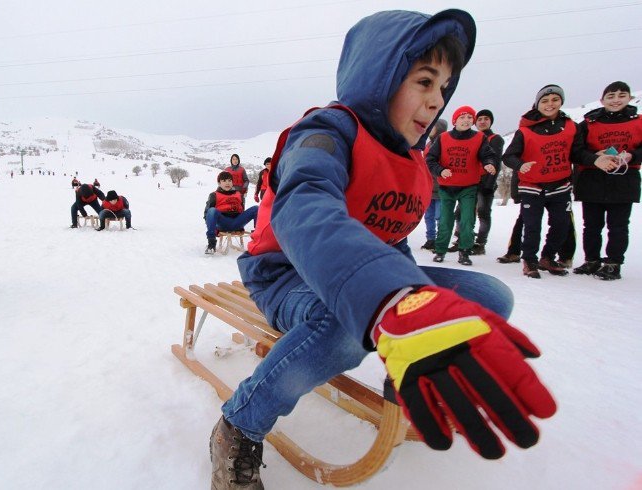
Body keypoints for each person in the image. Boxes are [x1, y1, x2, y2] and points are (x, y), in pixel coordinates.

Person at [210, 10, 556, 489]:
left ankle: (414, 384)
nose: (436, 100)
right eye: (423, 80)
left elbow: (392, 241)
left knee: (490, 298)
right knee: (347, 326)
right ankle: (239, 424)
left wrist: (408, 297)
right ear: (380, 76)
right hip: (284, 275)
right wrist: (386, 301)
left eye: (444, 87)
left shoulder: (411, 158)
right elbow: (303, 205)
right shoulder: (327, 133)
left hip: (364, 278)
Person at [502, 84, 615, 278]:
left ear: (561, 101)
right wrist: (520, 165)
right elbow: (508, 156)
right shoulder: (525, 131)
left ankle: (547, 257)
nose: (550, 104)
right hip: (532, 186)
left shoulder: (570, 126)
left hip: (560, 184)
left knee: (561, 225)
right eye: (544, 101)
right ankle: (529, 260)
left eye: (554, 99)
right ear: (537, 104)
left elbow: (577, 153)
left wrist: (596, 159)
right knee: (532, 226)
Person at [572, 81, 641, 280]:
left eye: (621, 95)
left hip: (623, 179)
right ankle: (591, 260)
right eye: (611, 96)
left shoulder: (639, 122)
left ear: (629, 98)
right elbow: (576, 152)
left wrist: (631, 156)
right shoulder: (588, 123)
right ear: (602, 100)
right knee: (591, 224)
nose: (616, 100)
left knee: (618, 225)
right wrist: (595, 157)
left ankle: (613, 262)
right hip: (593, 178)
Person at [426, 105, 497, 265]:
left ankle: (464, 251)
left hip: (468, 187)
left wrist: (489, 163)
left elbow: (488, 155)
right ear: (455, 120)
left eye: (470, 118)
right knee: (445, 220)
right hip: (446, 188)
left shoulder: (479, 138)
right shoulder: (443, 138)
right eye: (462, 117)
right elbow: (430, 159)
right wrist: (440, 170)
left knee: (467, 220)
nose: (466, 120)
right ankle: (440, 250)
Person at [470, 109, 504, 255]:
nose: (482, 121)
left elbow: (495, 162)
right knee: (462, 212)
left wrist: (489, 184)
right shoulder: (472, 138)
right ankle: (462, 239)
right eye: (479, 119)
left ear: (490, 122)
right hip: (470, 181)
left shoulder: (495, 139)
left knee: (483, 213)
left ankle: (480, 243)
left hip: (485, 182)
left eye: (486, 119)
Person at [204, 171, 259, 255]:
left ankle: (258, 239)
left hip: (237, 221)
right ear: (219, 182)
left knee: (256, 208)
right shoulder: (214, 195)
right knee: (211, 210)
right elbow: (207, 215)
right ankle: (211, 243)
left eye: (229, 181)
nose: (227, 183)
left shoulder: (238, 194)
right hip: (223, 222)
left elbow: (241, 209)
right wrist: (213, 228)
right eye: (224, 181)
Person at [419, 119, 447, 251]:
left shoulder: (445, 143)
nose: (430, 128)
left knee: (440, 216)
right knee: (429, 215)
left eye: (433, 126)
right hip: (428, 187)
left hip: (441, 187)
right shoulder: (428, 144)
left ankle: (440, 242)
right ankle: (431, 239)